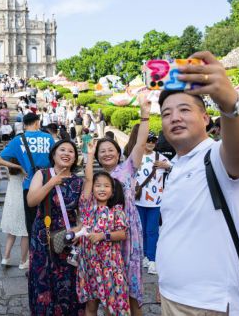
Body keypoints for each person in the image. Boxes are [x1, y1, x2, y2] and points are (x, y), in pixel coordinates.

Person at [156, 51, 239, 314]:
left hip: (210, 306)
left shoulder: (216, 156)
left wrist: (231, 104)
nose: (174, 117)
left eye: (184, 110)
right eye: (166, 114)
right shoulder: (176, 165)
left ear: (206, 118)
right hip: (171, 297)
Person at [88, 93, 151, 316]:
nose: (106, 153)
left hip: (129, 231)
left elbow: (141, 143)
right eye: (102, 151)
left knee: (132, 287)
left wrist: (145, 116)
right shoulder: (96, 180)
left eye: (110, 150)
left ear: (118, 153)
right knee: (109, 286)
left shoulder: (127, 168)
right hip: (106, 235)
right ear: (97, 157)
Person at [26, 139, 85, 315]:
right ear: (53, 154)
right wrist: (52, 182)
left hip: (67, 238)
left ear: (75, 158)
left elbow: (82, 215)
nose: (67, 154)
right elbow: (31, 201)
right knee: (44, 279)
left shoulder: (78, 182)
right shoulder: (42, 175)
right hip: (43, 237)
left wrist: (77, 231)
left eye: (71, 151)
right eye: (62, 150)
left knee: (67, 279)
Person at [77, 170, 129, 315]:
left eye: (106, 186)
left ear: (112, 192)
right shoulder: (87, 209)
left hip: (110, 267)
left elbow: (122, 233)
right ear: (92, 189)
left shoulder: (117, 211)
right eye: (98, 185)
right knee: (91, 305)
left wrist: (102, 236)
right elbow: (87, 179)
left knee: (111, 306)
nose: (101, 189)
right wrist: (91, 154)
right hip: (89, 266)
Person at [0, 112, 55, 237]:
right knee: (50, 220)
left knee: (31, 223)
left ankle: (33, 252)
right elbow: (56, 158)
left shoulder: (18, 140)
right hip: (48, 183)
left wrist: (20, 167)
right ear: (37, 122)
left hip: (29, 185)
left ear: (24, 124)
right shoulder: (48, 137)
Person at [133, 131, 170, 275]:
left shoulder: (160, 158)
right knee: (141, 230)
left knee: (152, 231)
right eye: (148, 140)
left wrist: (165, 166)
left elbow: (175, 168)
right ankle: (145, 256)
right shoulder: (136, 157)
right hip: (138, 200)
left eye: (153, 141)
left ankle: (153, 259)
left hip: (155, 202)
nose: (150, 143)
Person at [0, 157, 29, 269]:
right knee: (25, 232)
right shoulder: (24, 168)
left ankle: (5, 258)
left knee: (11, 232)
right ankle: (23, 261)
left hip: (11, 200)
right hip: (22, 200)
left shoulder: (9, 166)